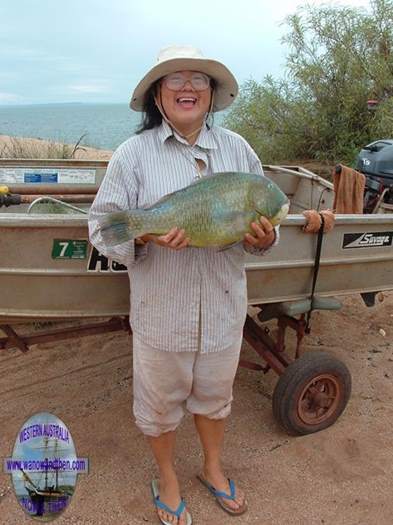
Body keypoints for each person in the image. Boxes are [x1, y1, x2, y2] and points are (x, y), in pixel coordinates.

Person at [88, 45, 280, 525]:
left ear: (213, 94)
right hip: (161, 310)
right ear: (157, 94)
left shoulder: (239, 150)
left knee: (216, 397)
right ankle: (168, 477)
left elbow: (263, 233)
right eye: (174, 79)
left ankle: (213, 470)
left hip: (222, 306)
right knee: (159, 404)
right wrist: (147, 234)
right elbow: (101, 228)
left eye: (199, 79)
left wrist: (264, 237)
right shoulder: (132, 155)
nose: (188, 87)